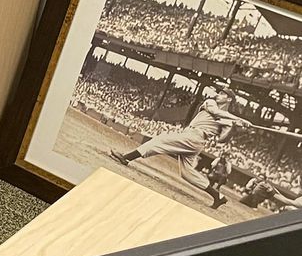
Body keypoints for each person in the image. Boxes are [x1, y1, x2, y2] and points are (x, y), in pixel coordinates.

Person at [109, 88, 255, 209]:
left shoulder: (228, 120)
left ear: (229, 99)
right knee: (187, 173)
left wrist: (235, 127)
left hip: (196, 138)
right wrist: (237, 119)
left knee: (160, 140)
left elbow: (222, 139)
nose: (218, 94)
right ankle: (218, 196)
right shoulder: (211, 103)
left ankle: (126, 158)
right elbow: (216, 112)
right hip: (191, 135)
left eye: (223, 94)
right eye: (220, 92)